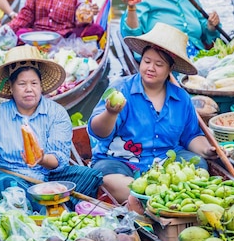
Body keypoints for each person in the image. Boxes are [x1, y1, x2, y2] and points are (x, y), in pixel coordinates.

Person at [0, 45, 103, 212]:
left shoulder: (57, 113)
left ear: (41, 86)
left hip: (49, 175)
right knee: (5, 183)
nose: (29, 89)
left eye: (34, 83)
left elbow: (60, 158)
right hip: (11, 174)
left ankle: (44, 204)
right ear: (11, 88)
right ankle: (51, 208)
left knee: (91, 176)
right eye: (22, 84)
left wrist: (41, 158)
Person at [88, 23, 217, 204]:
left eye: (159, 64)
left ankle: (152, 196)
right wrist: (110, 113)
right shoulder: (121, 89)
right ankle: (162, 196)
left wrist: (206, 149)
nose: (150, 68)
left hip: (166, 161)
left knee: (198, 163)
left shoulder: (181, 98)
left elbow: (191, 135)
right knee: (106, 177)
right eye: (147, 61)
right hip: (121, 161)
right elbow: (98, 131)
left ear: (170, 69)